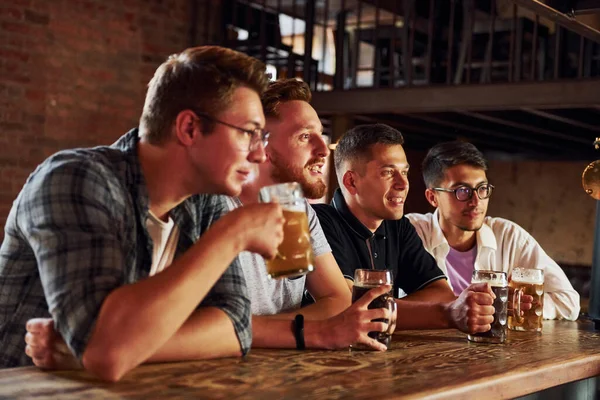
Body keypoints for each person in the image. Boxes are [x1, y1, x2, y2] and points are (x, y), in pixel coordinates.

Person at [0, 46, 286, 381]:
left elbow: (237, 328)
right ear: (190, 128)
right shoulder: (75, 179)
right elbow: (108, 353)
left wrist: (95, 352)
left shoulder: (203, 202)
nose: (261, 154)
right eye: (249, 133)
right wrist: (233, 235)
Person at [233, 79, 393, 351]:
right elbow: (206, 325)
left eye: (321, 134)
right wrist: (309, 331)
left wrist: (267, 331)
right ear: (262, 145)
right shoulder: (216, 208)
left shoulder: (296, 210)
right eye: (305, 136)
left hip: (283, 370)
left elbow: (338, 299)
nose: (323, 150)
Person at [313, 123, 497, 333]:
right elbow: (349, 310)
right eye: (388, 173)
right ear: (352, 182)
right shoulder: (320, 223)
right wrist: (445, 313)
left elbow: (441, 293)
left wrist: (382, 309)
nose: (403, 184)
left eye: (404, 172)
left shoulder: (398, 226)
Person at [405, 141, 580, 320]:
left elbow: (569, 303)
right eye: (462, 191)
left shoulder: (508, 236)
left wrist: (517, 306)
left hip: (494, 347)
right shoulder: (409, 232)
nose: (476, 201)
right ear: (433, 197)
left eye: (482, 189)